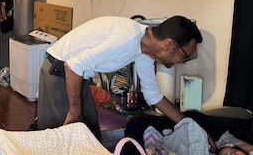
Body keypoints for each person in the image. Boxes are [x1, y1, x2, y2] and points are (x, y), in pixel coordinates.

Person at [37, 15, 203, 140]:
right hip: (59, 73)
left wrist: (191, 127)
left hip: (76, 76)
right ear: (168, 44)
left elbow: (153, 95)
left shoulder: (144, 50)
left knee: (90, 136)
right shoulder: (126, 39)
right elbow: (72, 66)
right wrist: (74, 111)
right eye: (185, 56)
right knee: (61, 141)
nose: (182, 62)